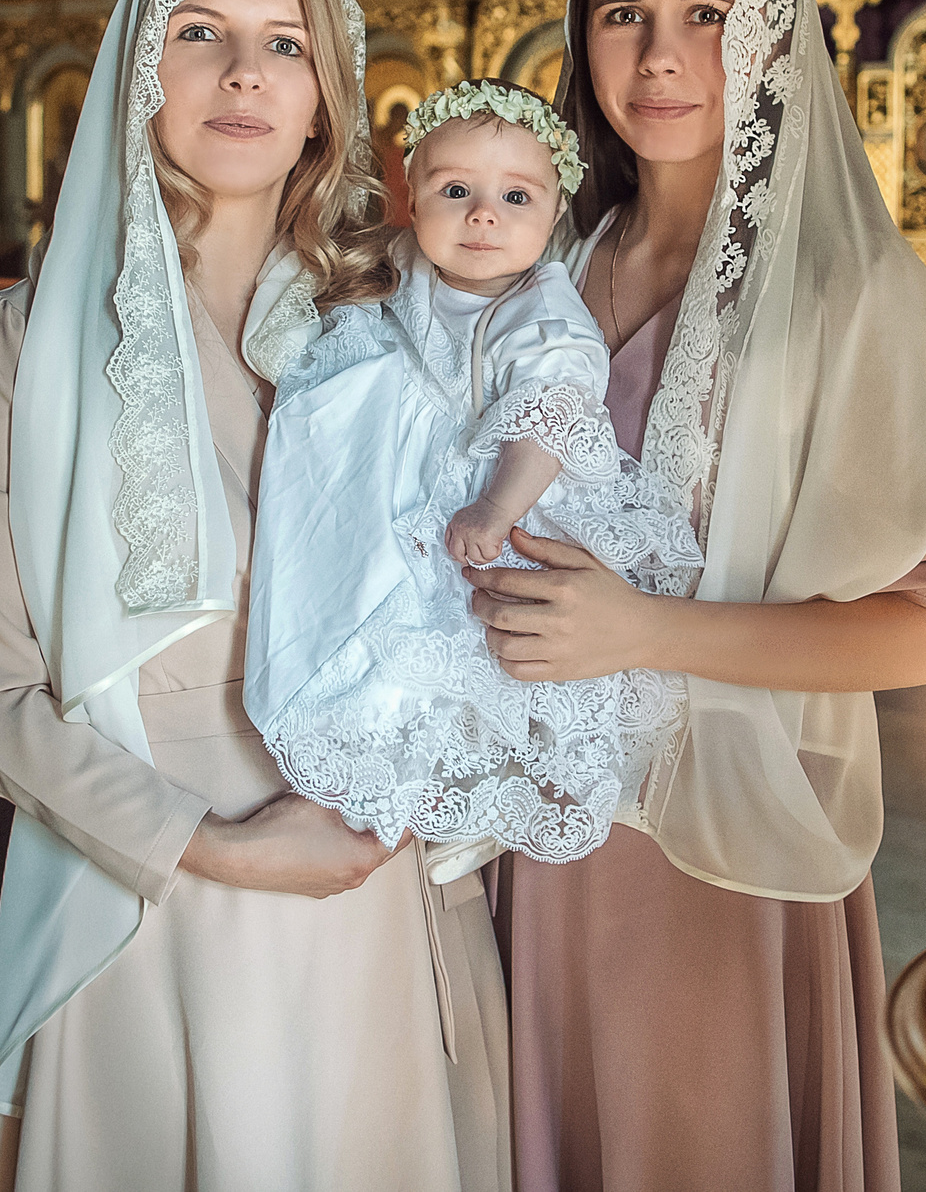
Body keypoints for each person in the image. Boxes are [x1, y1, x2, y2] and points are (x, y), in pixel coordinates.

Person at [0, 0, 509, 1192]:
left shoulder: (404, 336)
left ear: (322, 102)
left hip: (371, 869)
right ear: (136, 75)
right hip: (142, 895)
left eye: (283, 45)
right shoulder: (7, 353)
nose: (244, 73)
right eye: (201, 36)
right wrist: (214, 847)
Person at [479, 0, 926, 1192]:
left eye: (704, 12)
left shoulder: (844, 290)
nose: (660, 54)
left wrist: (640, 628)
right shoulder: (540, 261)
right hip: (522, 832)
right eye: (622, 11)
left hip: (716, 853)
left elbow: (921, 640)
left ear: (769, 27)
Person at [245, 79, 699, 886]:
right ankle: (389, 782)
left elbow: (549, 418)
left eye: (514, 196)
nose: (483, 214)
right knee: (388, 649)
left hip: (508, 498)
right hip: (410, 472)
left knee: (477, 654)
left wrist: (499, 504)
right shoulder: (403, 260)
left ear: (556, 213)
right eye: (455, 190)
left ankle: (478, 799)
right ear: (411, 200)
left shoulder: (545, 311)